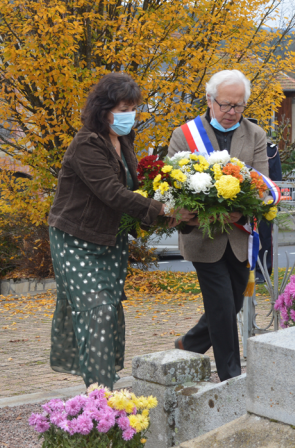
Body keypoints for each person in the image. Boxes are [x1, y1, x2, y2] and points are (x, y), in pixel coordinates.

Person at [47, 73, 194, 389]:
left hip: (110, 239)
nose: (130, 115)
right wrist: (162, 210)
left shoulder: (124, 139)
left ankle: (102, 384)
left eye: (133, 108)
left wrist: (161, 214)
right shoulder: (86, 144)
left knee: (108, 309)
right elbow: (112, 193)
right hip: (75, 239)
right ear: (103, 110)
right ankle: (101, 395)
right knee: (97, 310)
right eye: (123, 109)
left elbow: (133, 189)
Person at [170, 70, 269, 382]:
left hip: (239, 236)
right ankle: (232, 378)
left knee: (232, 302)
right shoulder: (184, 135)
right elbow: (174, 186)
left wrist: (240, 214)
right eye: (226, 105)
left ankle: (190, 344)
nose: (232, 112)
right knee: (223, 305)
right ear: (210, 100)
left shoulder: (255, 134)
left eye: (239, 106)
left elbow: (262, 186)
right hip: (202, 237)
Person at [256, 139, 282, 283]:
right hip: (241, 198)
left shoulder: (270, 150)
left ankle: (263, 271)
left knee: (264, 237)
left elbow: (276, 177)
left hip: (264, 200)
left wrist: (272, 199)